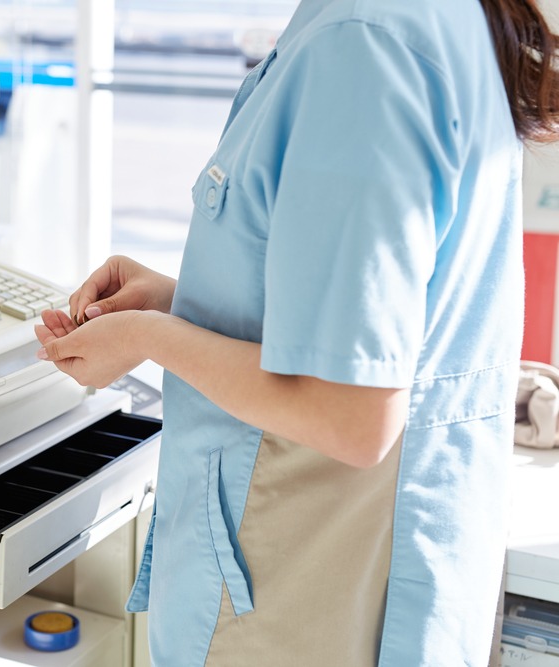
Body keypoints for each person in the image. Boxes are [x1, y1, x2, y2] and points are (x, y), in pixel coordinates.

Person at [35, 0, 559, 664]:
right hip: (371, 576)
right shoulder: (420, 18)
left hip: (306, 597)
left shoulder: (365, 43)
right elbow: (371, 320)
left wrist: (149, 336)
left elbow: (351, 414)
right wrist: (179, 302)